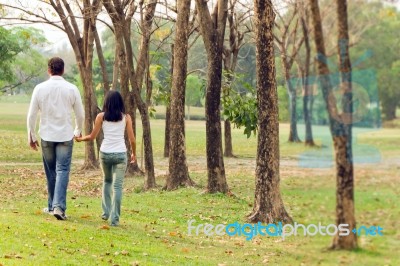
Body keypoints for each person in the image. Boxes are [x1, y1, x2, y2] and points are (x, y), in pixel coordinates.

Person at [27, 57, 84, 220]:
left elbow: (31, 115)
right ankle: (57, 206)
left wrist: (31, 135)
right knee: (62, 170)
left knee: (51, 171)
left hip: (46, 135)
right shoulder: (72, 88)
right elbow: (80, 114)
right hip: (66, 134)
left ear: (49, 70)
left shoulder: (40, 88)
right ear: (63, 70)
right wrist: (78, 130)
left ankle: (54, 206)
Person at [75, 90, 136, 226]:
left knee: (107, 181)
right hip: (120, 154)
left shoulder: (101, 117)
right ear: (120, 102)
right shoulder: (126, 117)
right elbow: (132, 139)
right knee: (118, 187)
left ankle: (105, 212)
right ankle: (114, 220)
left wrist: (80, 139)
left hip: (105, 154)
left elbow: (92, 136)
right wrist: (134, 153)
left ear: (106, 102)